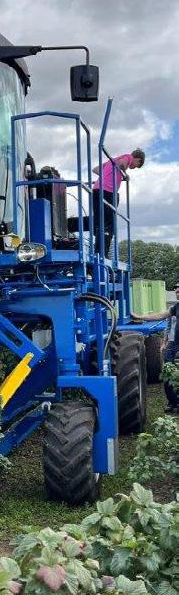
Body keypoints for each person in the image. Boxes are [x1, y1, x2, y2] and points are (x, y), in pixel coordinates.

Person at [132, 283, 179, 413]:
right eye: (176, 292)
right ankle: (173, 402)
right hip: (174, 343)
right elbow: (161, 316)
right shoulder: (175, 307)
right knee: (167, 372)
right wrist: (140, 317)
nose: (177, 294)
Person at [92, 148, 145, 256]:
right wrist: (124, 174)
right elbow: (122, 164)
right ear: (138, 159)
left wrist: (112, 176)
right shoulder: (128, 157)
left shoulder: (113, 160)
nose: (134, 167)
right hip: (107, 191)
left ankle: (72, 225)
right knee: (109, 224)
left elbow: (96, 169)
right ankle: (102, 254)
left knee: (99, 220)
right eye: (137, 165)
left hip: (97, 189)